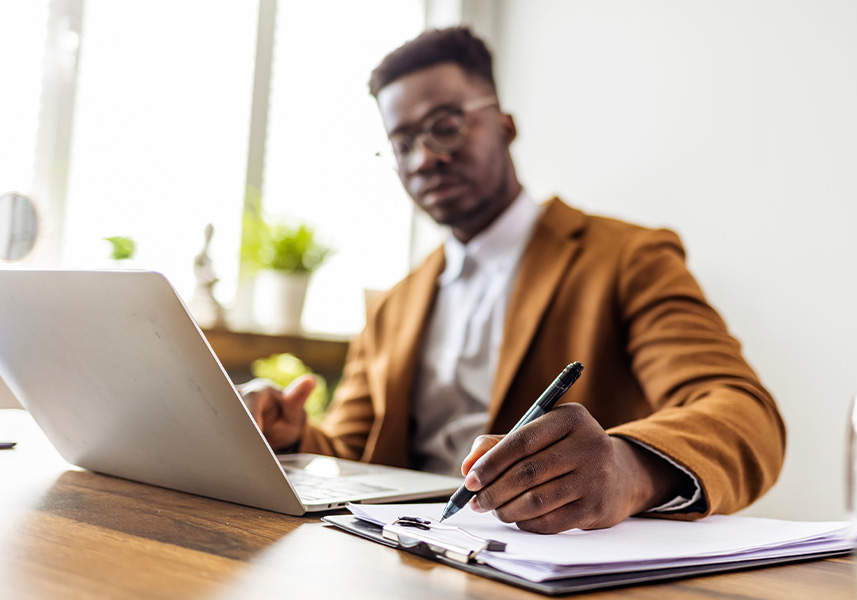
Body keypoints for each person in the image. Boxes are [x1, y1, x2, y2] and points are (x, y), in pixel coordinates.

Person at [241, 26, 785, 534]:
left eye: (445, 126)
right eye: (402, 144)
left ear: (504, 126)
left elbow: (742, 411)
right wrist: (292, 436)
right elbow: (353, 451)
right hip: (412, 552)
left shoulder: (627, 257)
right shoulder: (394, 305)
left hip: (551, 561)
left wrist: (629, 468)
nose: (425, 158)